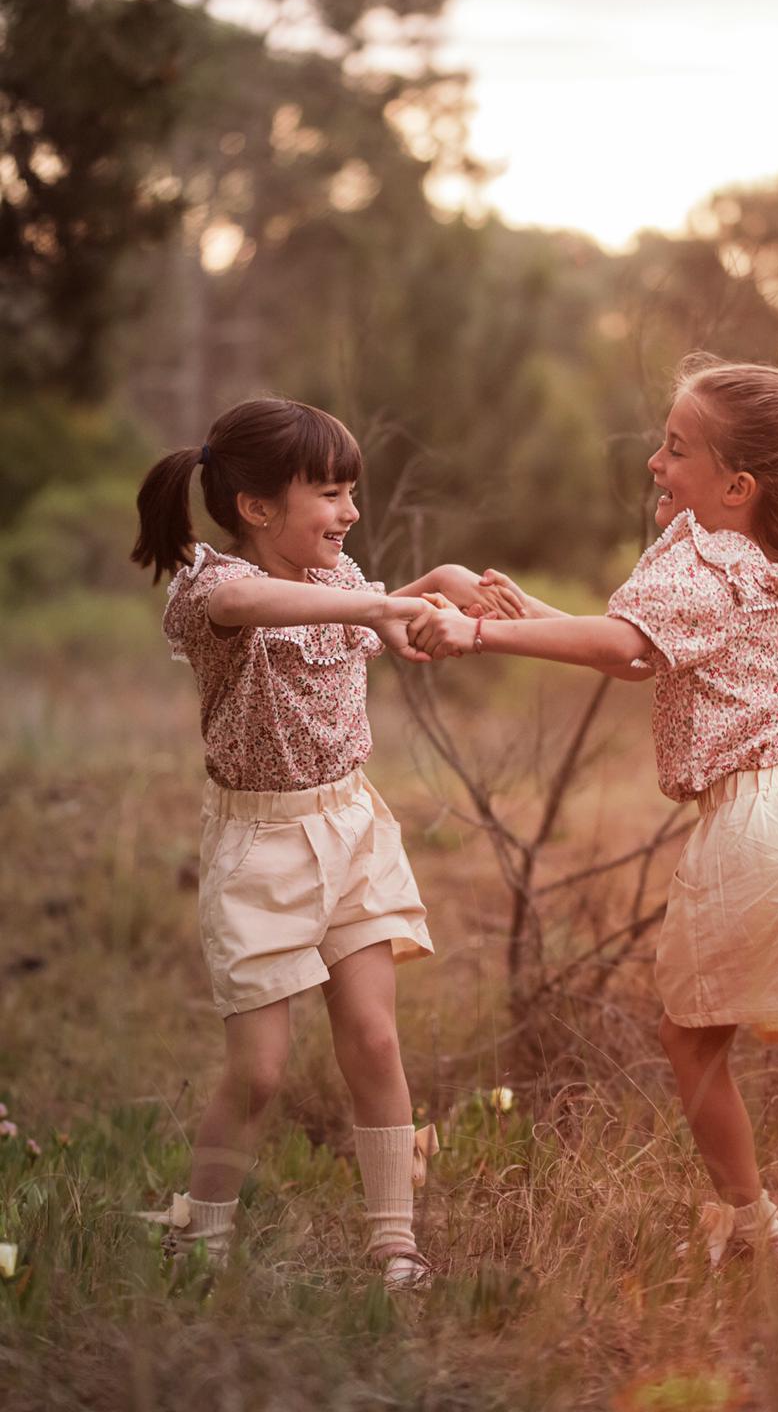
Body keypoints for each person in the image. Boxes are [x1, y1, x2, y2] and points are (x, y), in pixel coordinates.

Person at [410, 355, 778, 1276]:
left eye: (675, 451)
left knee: (689, 1041)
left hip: (759, 826)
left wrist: (482, 631)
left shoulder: (704, 554)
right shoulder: (768, 563)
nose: (656, 466)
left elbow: (630, 644)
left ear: (736, 485)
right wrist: (523, 613)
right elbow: (637, 658)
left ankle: (747, 1228)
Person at [131, 395, 522, 1289]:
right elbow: (250, 600)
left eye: (353, 493)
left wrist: (437, 585)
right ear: (258, 509)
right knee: (260, 1073)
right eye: (331, 495)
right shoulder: (207, 589)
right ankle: (202, 1239)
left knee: (375, 1043)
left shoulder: (347, 586)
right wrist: (385, 603)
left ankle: (395, 1242)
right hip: (258, 850)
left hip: (352, 828)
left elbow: (380, 613)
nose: (350, 513)